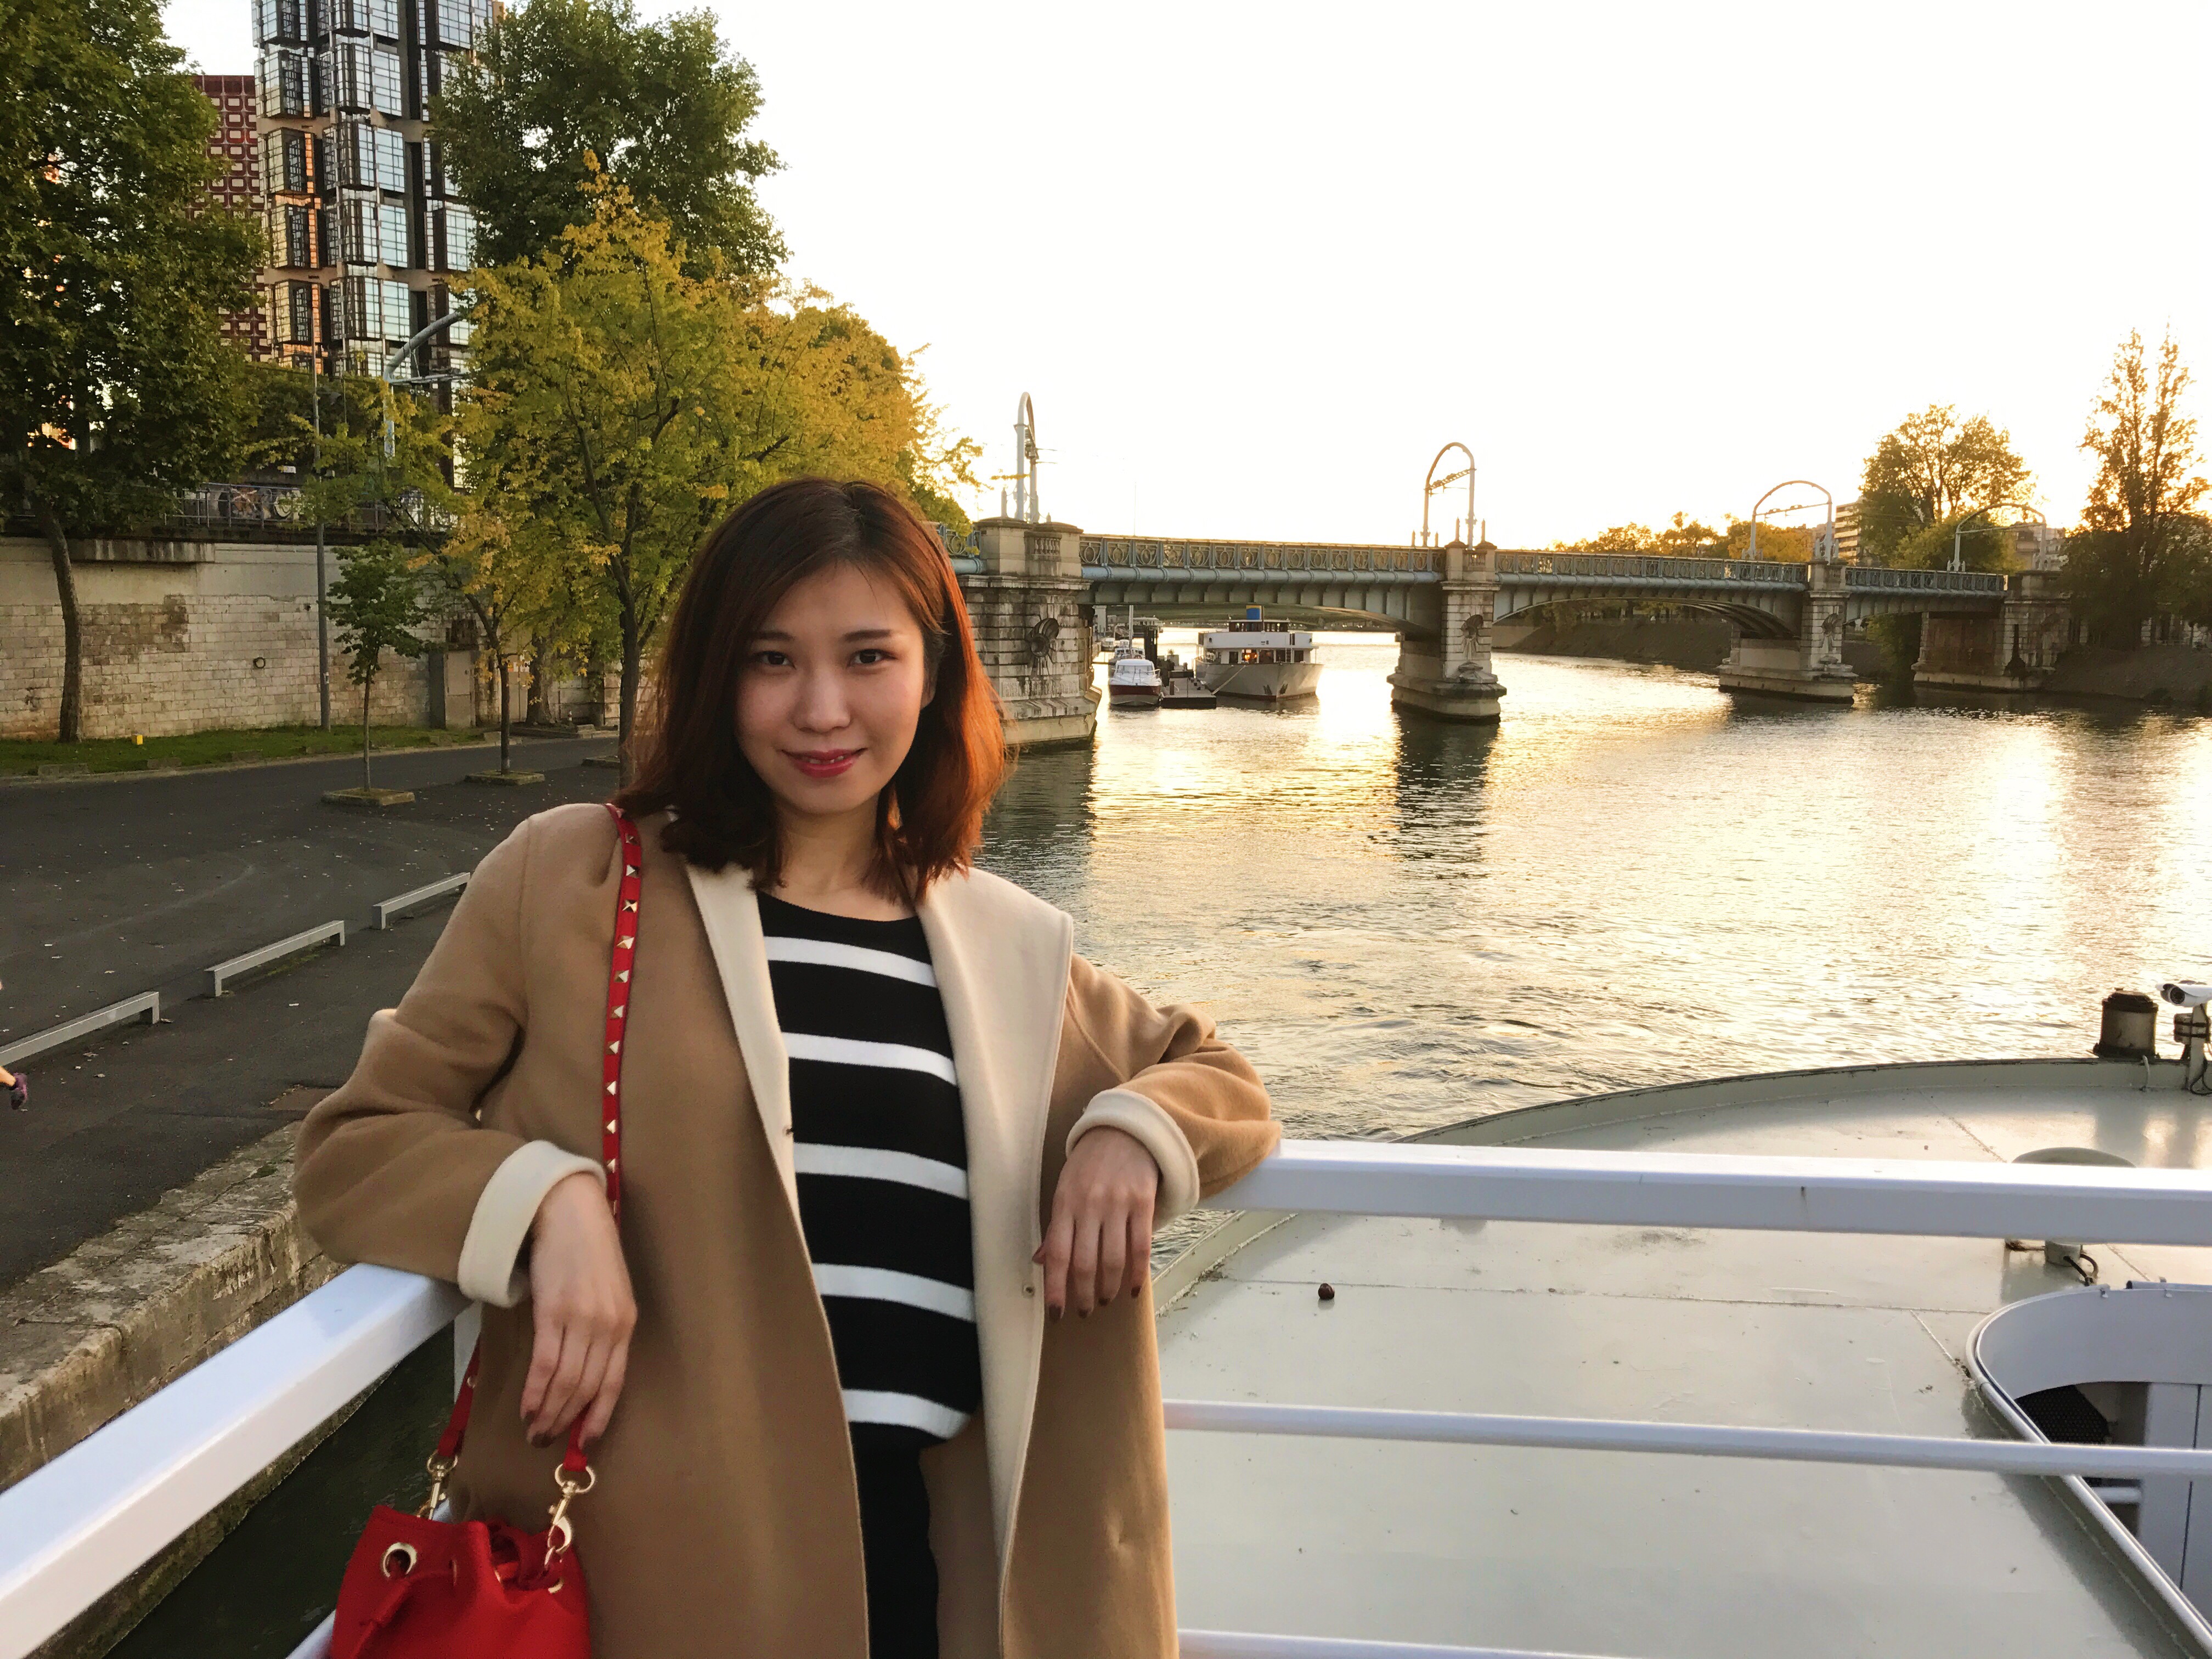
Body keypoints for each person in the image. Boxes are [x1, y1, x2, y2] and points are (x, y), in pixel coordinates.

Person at [295, 477, 1279, 1659]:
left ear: (934, 673)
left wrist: (1132, 1134)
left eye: (869, 657)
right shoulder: (570, 884)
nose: (822, 710)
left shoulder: (1000, 944)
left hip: (921, 1574)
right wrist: (546, 1202)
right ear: (718, 674)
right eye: (773, 660)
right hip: (648, 1577)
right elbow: (355, 1147)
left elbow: (1215, 1075)